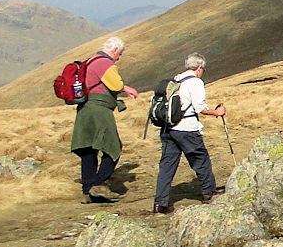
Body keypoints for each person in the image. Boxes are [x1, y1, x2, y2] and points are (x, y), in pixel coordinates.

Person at [152, 53, 227, 214]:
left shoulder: (176, 80)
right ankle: (209, 192)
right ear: (199, 68)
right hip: (186, 128)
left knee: (167, 165)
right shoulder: (195, 82)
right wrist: (217, 112)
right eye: (203, 69)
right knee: (201, 159)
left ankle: (160, 203)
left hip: (167, 128)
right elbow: (199, 107)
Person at [70, 37, 139, 203]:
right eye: (119, 55)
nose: (118, 58)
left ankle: (87, 192)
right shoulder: (105, 63)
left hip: (85, 110)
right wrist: (126, 88)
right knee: (113, 147)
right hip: (99, 111)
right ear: (115, 50)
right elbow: (115, 85)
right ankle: (98, 183)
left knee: (88, 149)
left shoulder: (91, 60)